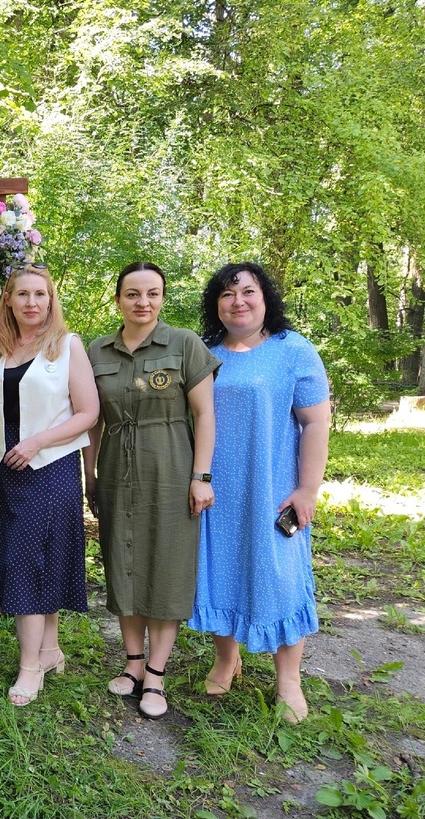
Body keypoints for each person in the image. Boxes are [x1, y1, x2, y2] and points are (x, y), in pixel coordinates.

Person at [188, 262, 331, 724]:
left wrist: (307, 489)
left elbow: (315, 422)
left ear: (265, 297)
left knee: (280, 575)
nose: (239, 301)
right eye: (228, 294)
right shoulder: (206, 353)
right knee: (222, 568)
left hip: (273, 490)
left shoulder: (293, 350)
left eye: (248, 291)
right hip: (218, 491)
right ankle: (226, 660)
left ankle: (288, 678)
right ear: (217, 305)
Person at [84, 262, 219, 719]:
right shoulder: (96, 351)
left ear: (163, 298)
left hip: (171, 466)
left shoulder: (183, 344)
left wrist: (201, 477)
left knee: (167, 564)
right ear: (118, 299)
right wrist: (90, 476)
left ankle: (157, 676)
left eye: (153, 293)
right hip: (116, 466)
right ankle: (133, 663)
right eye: (133, 294)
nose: (143, 302)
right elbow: (92, 422)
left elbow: (204, 415)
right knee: (122, 562)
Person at [0, 263, 99, 706]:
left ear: (51, 301)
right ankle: (48, 650)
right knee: (32, 558)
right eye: (23, 294)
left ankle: (29, 668)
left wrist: (36, 443)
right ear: (8, 301)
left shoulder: (67, 346)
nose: (32, 302)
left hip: (50, 468)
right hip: (7, 471)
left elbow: (87, 412)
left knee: (29, 562)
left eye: (40, 294)